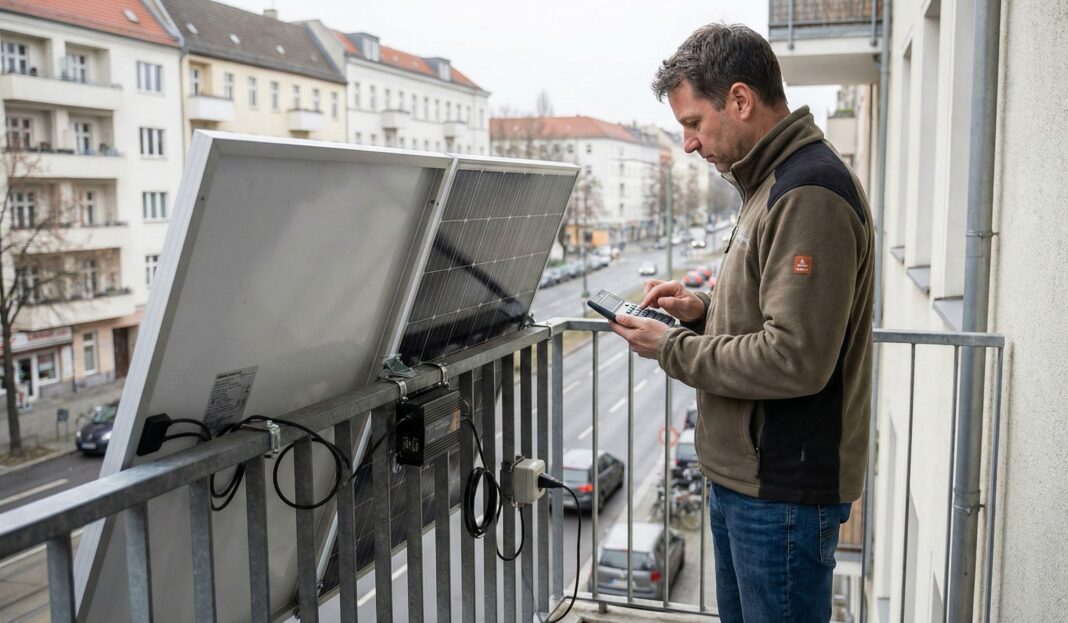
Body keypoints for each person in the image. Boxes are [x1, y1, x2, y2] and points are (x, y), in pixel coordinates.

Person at [609, 23, 876, 623]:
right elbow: (772, 311)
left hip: (780, 492)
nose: (689, 144)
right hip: (751, 484)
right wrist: (701, 311)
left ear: (739, 99)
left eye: (693, 123)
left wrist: (672, 347)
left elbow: (795, 357)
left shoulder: (808, 191)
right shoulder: (768, 184)